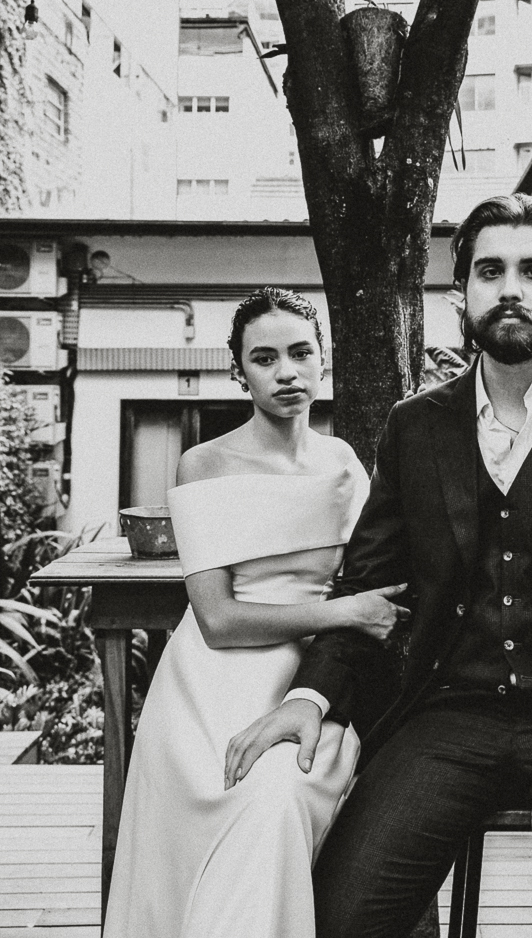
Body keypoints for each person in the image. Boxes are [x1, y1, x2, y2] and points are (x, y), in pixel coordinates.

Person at [224, 195, 532, 938]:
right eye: (489, 271)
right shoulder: (416, 425)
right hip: (450, 716)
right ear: (462, 292)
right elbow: (368, 585)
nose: (510, 288)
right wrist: (312, 696)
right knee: (340, 919)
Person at [103, 287, 409, 938]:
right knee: (225, 802)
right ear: (239, 372)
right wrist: (343, 614)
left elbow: (378, 573)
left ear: (323, 359)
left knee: (275, 801)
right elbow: (217, 619)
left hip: (311, 681)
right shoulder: (203, 464)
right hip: (209, 684)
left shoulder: (343, 464)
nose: (286, 372)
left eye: (300, 353)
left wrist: (347, 629)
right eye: (264, 359)